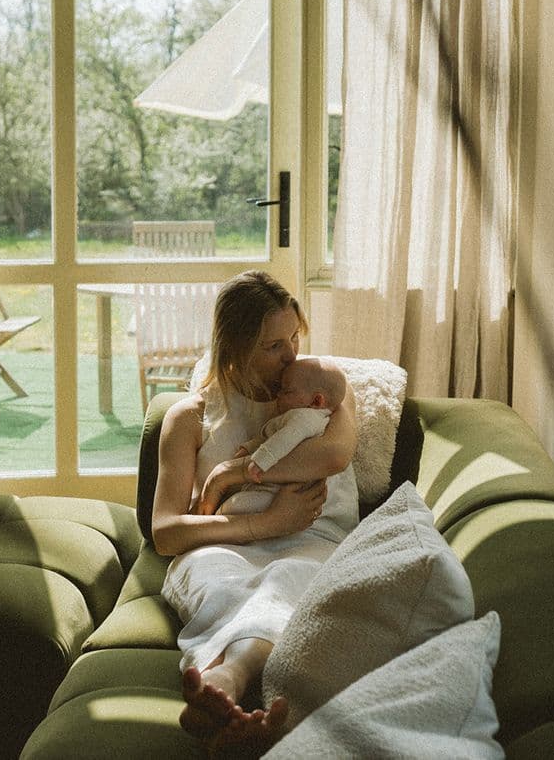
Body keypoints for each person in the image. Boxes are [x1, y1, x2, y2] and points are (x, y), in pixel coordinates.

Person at [151, 271, 358, 753]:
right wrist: (265, 523)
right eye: (273, 346)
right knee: (222, 585)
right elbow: (165, 532)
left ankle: (221, 684)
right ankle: (237, 698)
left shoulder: (324, 394)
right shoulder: (190, 417)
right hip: (221, 549)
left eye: (294, 338)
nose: (291, 356)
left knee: (288, 581)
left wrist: (230, 474)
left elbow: (333, 455)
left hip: (312, 543)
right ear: (235, 347)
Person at [217, 356, 352, 517]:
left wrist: (261, 460)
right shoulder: (300, 416)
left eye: (287, 391)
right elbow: (270, 437)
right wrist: (249, 447)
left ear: (316, 401)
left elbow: (285, 438)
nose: (278, 394)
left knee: (233, 506)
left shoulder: (306, 417)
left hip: (287, 492)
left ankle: (218, 518)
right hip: (279, 490)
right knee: (238, 503)